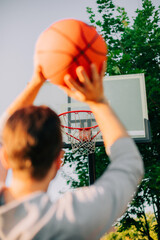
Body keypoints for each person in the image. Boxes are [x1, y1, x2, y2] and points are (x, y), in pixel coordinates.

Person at [0, 62, 144, 240]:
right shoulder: (75, 218)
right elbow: (130, 164)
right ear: (59, 161)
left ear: (5, 156)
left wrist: (36, 82)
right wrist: (97, 101)